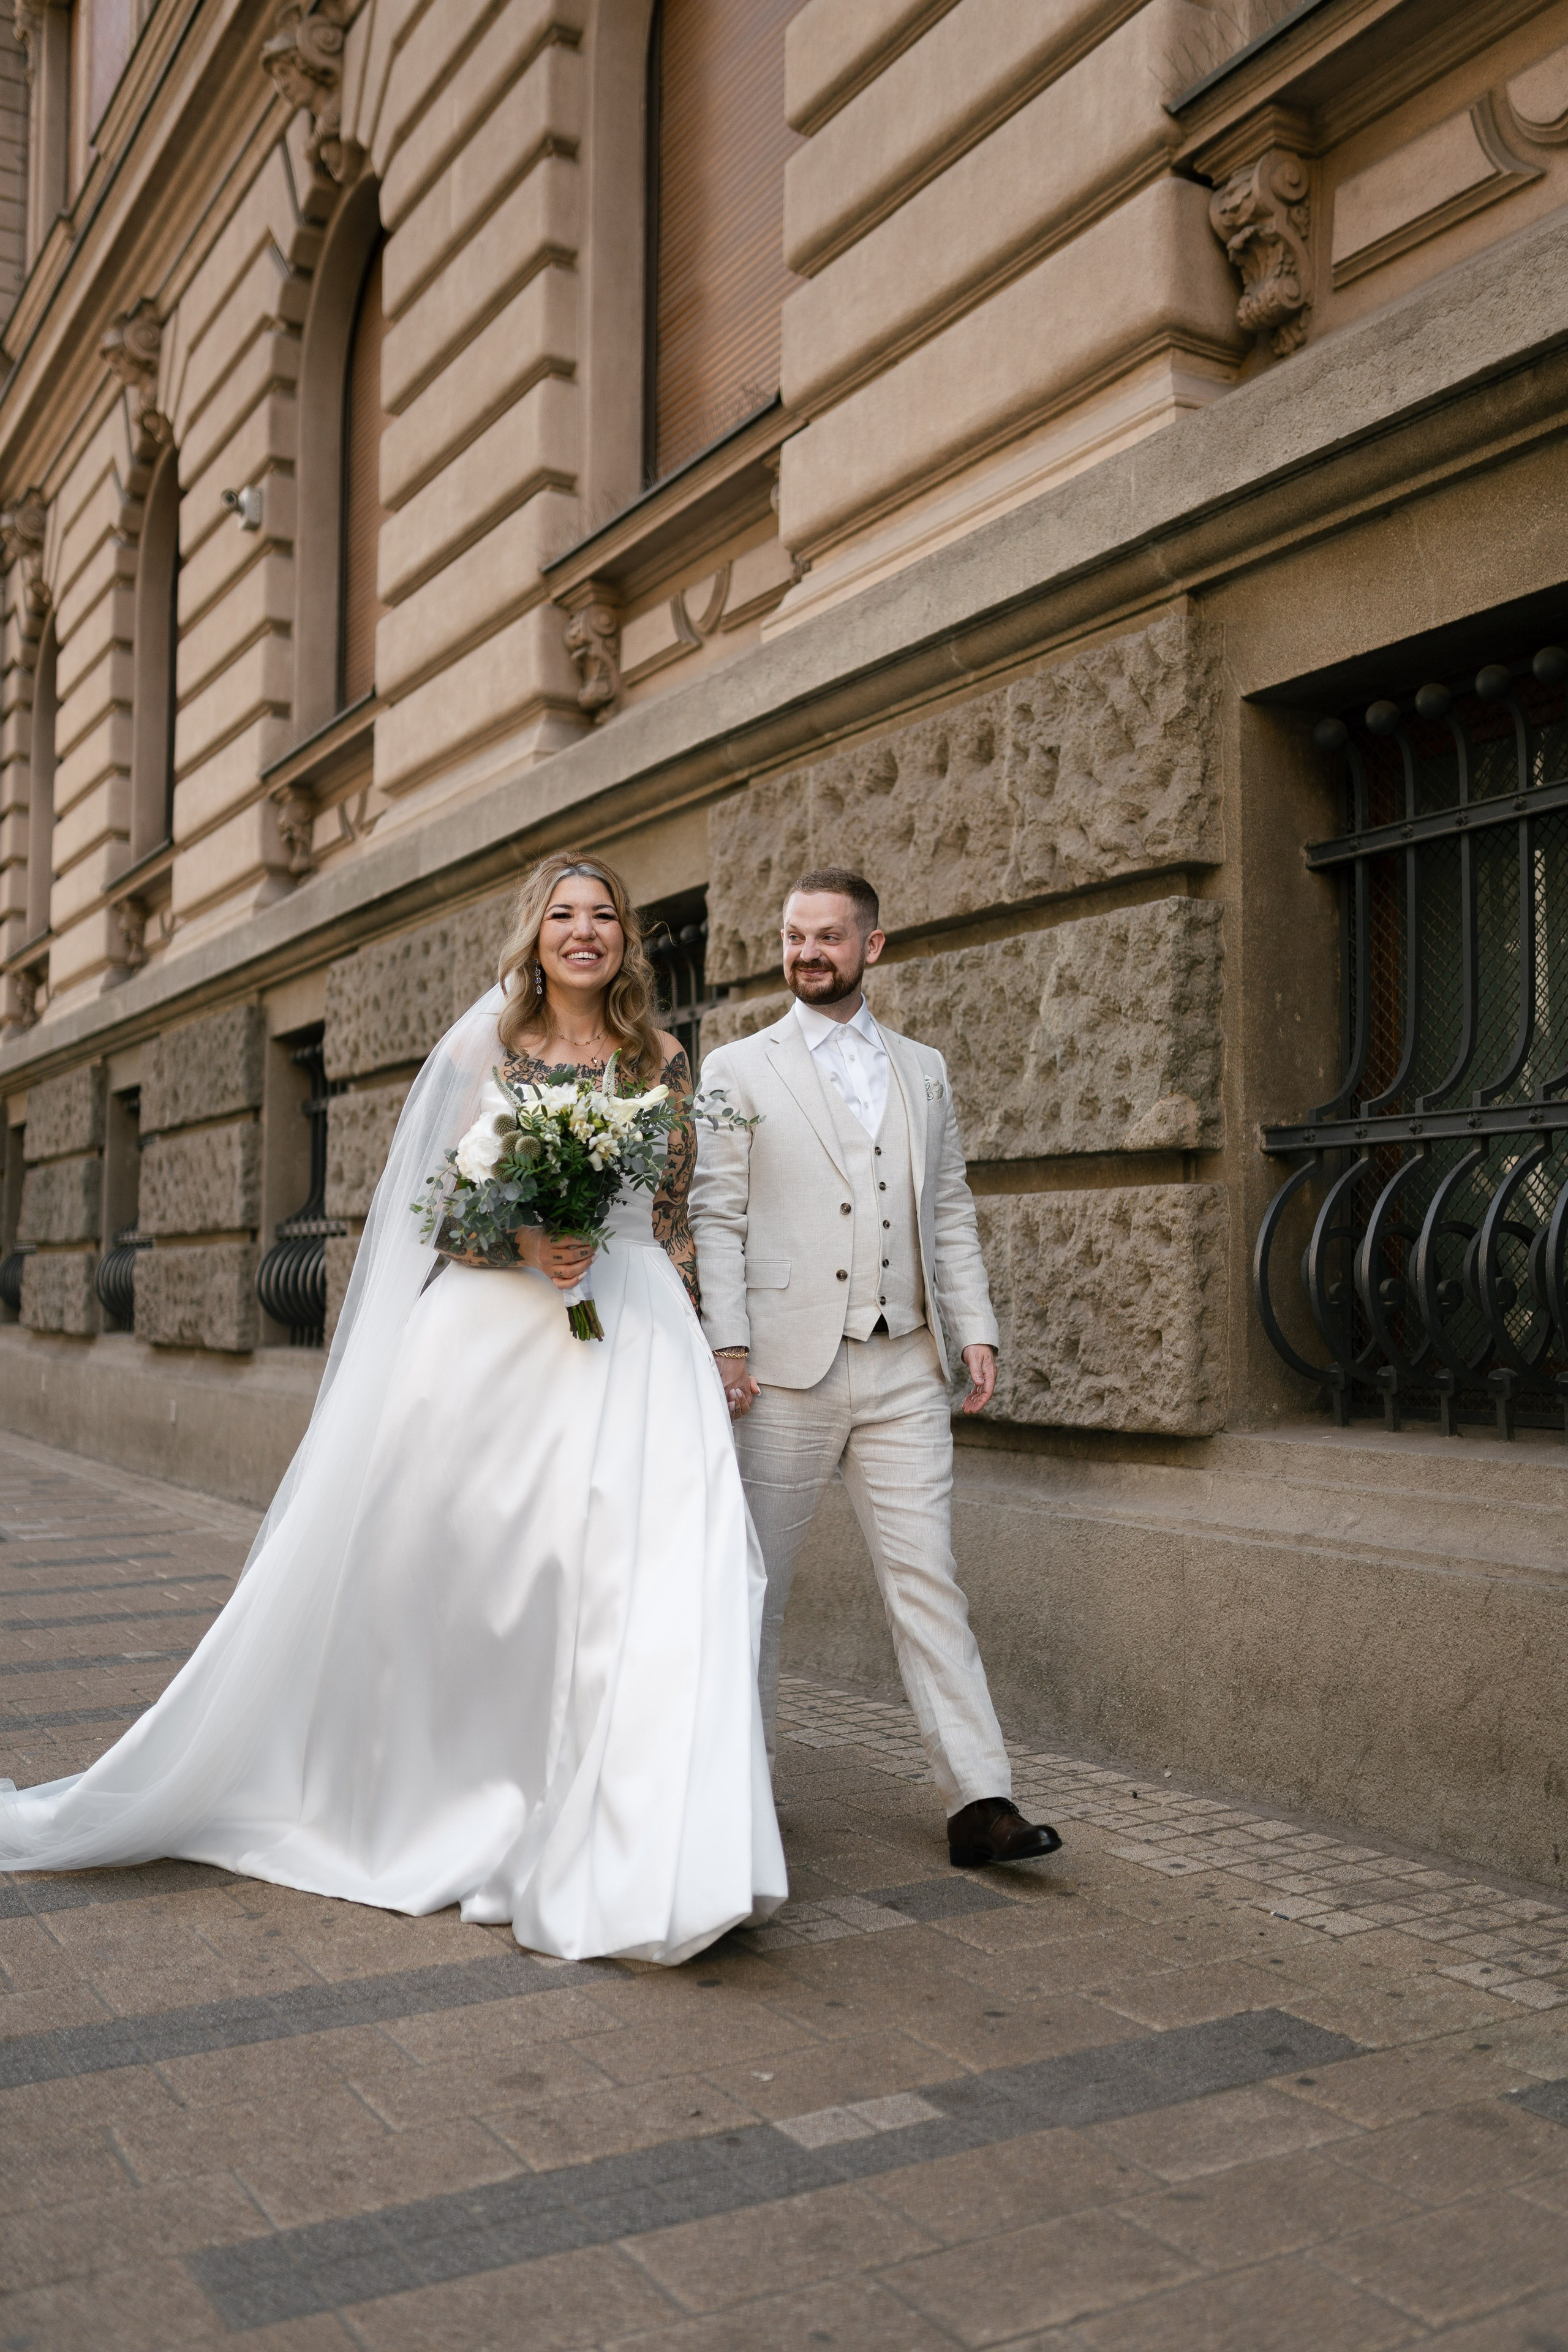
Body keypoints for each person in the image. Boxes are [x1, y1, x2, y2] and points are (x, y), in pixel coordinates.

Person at [0, 855, 785, 1966]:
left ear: (627, 940)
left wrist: (706, 1338)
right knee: (493, 1580)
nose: (585, 931)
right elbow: (439, 1210)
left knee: (668, 1574)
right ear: (536, 935)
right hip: (502, 1340)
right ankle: (479, 1799)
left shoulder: (663, 1058)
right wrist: (522, 1236)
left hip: (635, 1334)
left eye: (604, 915)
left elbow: (669, 1217)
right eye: (563, 915)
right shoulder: (486, 1048)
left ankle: (658, 1842)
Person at [690, 867, 1061, 1871]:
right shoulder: (735, 1067)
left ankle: (979, 1799)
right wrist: (728, 1344)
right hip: (783, 1370)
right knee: (754, 1586)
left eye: (827, 938)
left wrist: (972, 1327)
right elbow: (714, 1215)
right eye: (794, 936)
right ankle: (740, 1795)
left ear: (873, 947)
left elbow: (947, 1207)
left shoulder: (923, 1067)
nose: (807, 953)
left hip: (906, 1365)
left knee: (928, 1581)